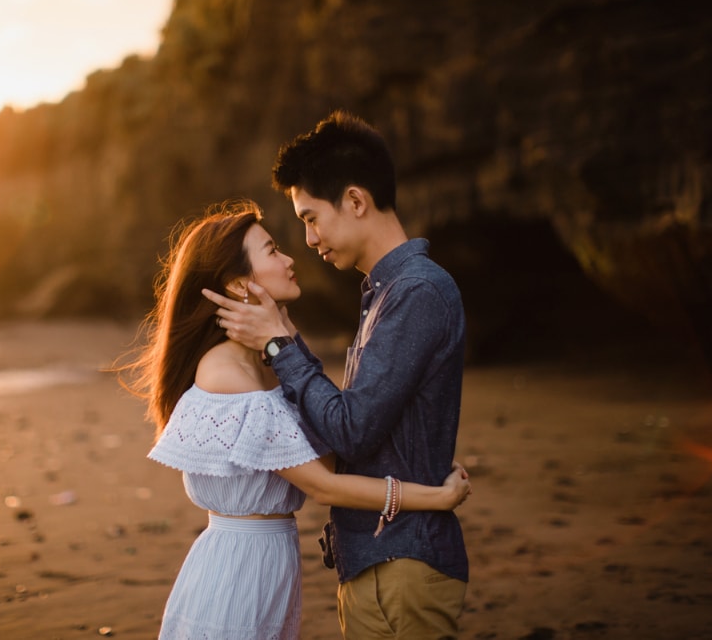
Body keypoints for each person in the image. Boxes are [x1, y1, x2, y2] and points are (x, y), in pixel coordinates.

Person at [119, 199, 471, 639]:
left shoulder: (265, 367)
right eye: (272, 251)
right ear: (238, 283)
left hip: (268, 569)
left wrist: (283, 336)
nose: (290, 258)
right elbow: (323, 484)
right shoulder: (227, 375)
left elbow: (333, 441)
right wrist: (434, 497)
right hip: (236, 577)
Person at [203, 111, 470, 638]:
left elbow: (351, 430)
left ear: (355, 200)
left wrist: (280, 343)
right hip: (379, 560)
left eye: (310, 217)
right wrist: (283, 335)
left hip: (402, 564)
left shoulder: (416, 292)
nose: (308, 239)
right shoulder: (386, 295)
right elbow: (353, 433)